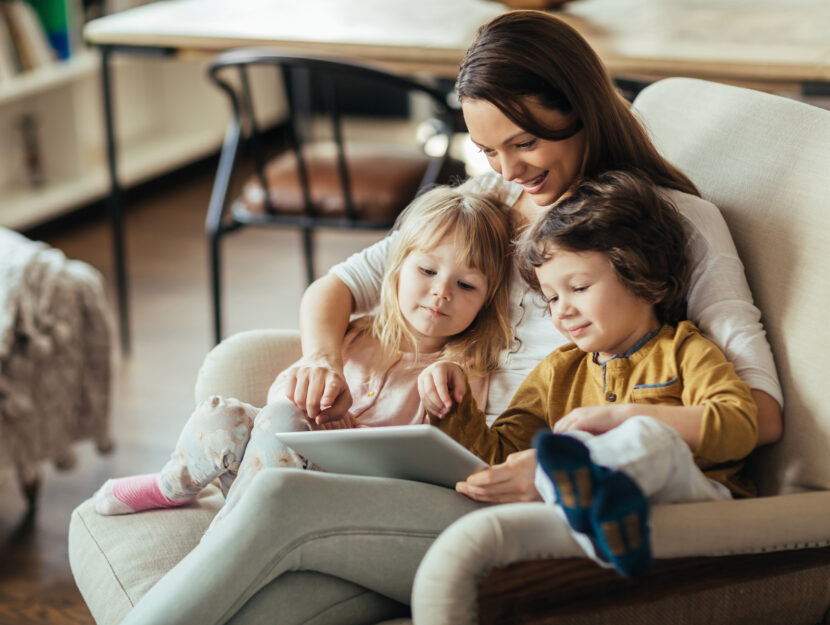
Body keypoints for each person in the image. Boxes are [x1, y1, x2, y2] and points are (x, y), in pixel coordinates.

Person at [116, 11, 783, 625]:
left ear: (580, 107)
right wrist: (321, 357)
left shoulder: (680, 223)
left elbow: (762, 411)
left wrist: (569, 457)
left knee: (280, 498)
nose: (509, 170)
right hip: (447, 463)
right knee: (278, 595)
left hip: (533, 495)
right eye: (488, 150)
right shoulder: (489, 202)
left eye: (523, 143)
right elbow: (341, 286)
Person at [94, 185, 513, 527]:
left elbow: (426, 460)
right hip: (270, 468)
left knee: (282, 422)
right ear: (397, 269)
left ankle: (227, 541)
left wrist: (345, 433)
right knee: (226, 416)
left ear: (486, 301)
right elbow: (284, 395)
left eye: (466, 285)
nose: (442, 291)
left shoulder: (458, 372)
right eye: (427, 271)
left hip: (340, 494)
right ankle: (170, 487)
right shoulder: (355, 333)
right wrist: (309, 398)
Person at [428, 170, 758, 578]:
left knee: (646, 437)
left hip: (696, 506)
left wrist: (624, 416)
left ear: (640, 276)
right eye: (551, 297)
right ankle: (602, 524)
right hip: (600, 531)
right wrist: (453, 405)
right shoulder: (556, 371)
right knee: (548, 457)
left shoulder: (685, 350)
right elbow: (501, 456)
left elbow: (742, 425)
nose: (561, 310)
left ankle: (594, 500)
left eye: (579, 288)